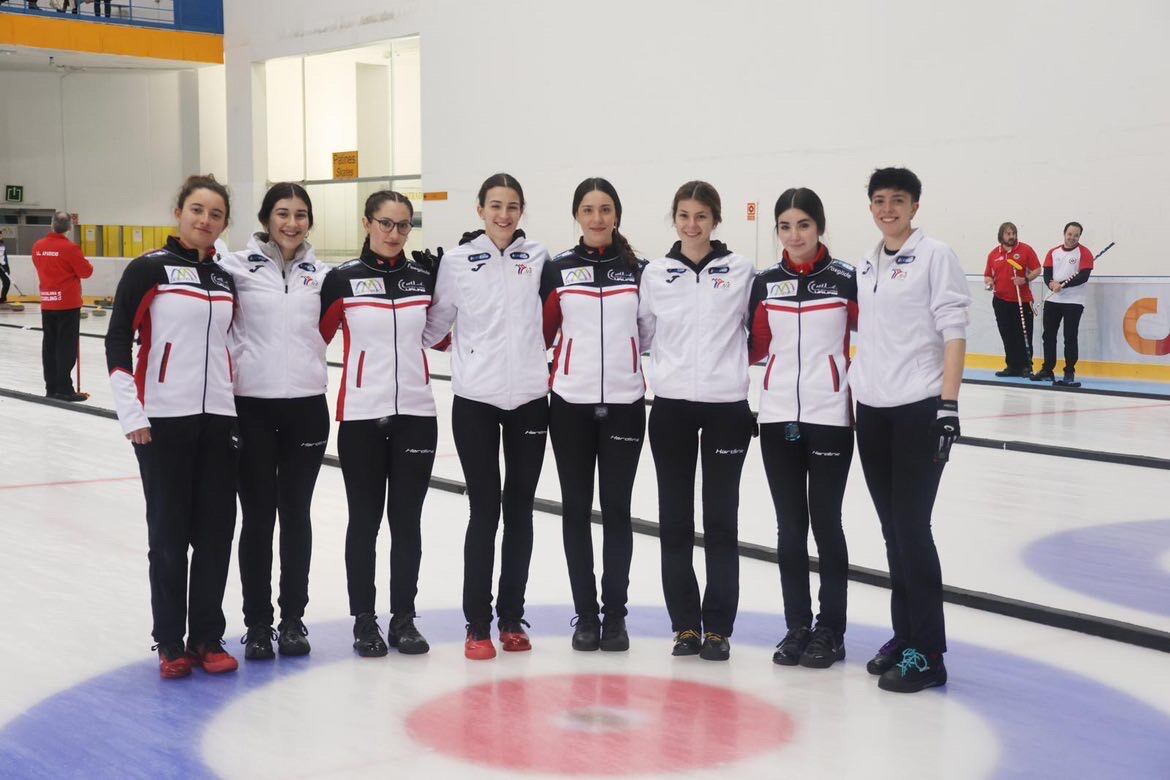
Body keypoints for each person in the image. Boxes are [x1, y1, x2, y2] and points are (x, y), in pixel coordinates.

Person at [104, 174, 241, 679]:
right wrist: (131, 413)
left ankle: (207, 636)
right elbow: (118, 341)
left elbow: (231, 345)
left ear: (225, 224)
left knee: (215, 533)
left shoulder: (225, 277)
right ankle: (170, 642)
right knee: (168, 535)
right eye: (197, 210)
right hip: (162, 421)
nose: (205, 220)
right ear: (179, 212)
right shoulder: (149, 270)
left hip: (219, 421)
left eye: (216, 214)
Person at [422, 173, 551, 660]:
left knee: (520, 511)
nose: (503, 214)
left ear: (521, 211)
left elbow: (556, 317)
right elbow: (435, 325)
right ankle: (477, 623)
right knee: (485, 510)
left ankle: (512, 618)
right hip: (475, 400)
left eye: (512, 206)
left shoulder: (538, 257)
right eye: (495, 205)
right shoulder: (456, 262)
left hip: (530, 402)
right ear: (479, 210)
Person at [852, 167, 969, 693]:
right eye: (879, 200)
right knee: (891, 531)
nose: (887, 209)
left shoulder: (935, 255)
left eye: (897, 200)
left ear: (914, 207)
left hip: (918, 409)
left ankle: (930, 653)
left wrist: (948, 403)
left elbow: (953, 331)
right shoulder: (866, 264)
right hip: (872, 412)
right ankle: (907, 635)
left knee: (912, 529)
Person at [637, 181, 755, 662]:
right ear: (675, 219)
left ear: (715, 220)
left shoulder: (741, 271)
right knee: (676, 522)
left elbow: (758, 329)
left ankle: (719, 628)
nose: (692, 225)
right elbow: (645, 331)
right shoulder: (657, 273)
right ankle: (685, 626)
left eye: (701, 216)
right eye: (684, 216)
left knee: (722, 522)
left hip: (727, 407)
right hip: (672, 409)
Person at [319, 190, 438, 658]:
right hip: (361, 418)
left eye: (403, 225)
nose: (394, 234)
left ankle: (403, 618)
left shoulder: (422, 278)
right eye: (385, 224)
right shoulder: (342, 278)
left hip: (416, 416)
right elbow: (313, 337)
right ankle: (364, 620)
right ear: (366, 223)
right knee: (364, 522)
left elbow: (445, 335)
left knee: (407, 523)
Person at [216, 183, 330, 660]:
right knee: (259, 518)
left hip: (307, 407)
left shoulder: (324, 275)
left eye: (301, 214)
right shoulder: (237, 268)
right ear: (265, 218)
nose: (291, 222)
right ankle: (258, 623)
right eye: (282, 213)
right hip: (253, 408)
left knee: (296, 517)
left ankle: (293, 621)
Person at [748, 188, 857, 669]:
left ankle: (830, 630)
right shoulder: (766, 281)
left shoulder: (846, 279)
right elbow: (754, 345)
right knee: (790, 530)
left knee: (826, 525)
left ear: (820, 227)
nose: (794, 236)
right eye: (785, 227)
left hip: (831, 415)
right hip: (776, 418)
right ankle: (797, 626)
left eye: (804, 225)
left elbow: (875, 338)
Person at [540, 178, 645, 652]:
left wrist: (623, 362)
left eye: (605, 209)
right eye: (588, 209)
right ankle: (585, 615)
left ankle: (615, 617)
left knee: (618, 512)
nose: (597, 218)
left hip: (624, 405)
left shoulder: (638, 271)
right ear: (577, 216)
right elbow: (542, 332)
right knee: (576, 511)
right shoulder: (558, 269)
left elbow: (650, 332)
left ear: (617, 215)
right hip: (570, 406)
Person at [32, 211, 93, 401]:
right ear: (69, 227)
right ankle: (64, 389)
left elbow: (39, 265)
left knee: (49, 346)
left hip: (48, 302)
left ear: (51, 225)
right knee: (66, 347)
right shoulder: (70, 248)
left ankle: (51, 387)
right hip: (67, 304)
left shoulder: (38, 246)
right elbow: (86, 272)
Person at [1033, 222, 1094, 387]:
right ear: (1064, 233)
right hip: (1053, 299)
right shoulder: (1053, 252)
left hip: (1074, 301)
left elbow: (1083, 277)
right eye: (1070, 234)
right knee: (1049, 336)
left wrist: (1063, 284)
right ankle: (1047, 370)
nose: (1072, 238)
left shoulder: (1084, 253)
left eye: (1076, 235)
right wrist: (1052, 285)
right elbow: (1047, 275)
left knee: (1070, 336)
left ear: (1079, 236)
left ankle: (1069, 371)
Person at [983, 222, 1041, 378]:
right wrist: (989, 282)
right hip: (1001, 300)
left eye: (1013, 233)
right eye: (1008, 233)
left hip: (1022, 300)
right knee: (1007, 334)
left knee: (1023, 334)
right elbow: (988, 274)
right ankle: (1012, 366)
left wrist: (1025, 279)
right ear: (1001, 235)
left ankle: (1026, 366)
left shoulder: (1025, 250)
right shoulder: (994, 254)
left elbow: (1037, 269)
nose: (1012, 236)